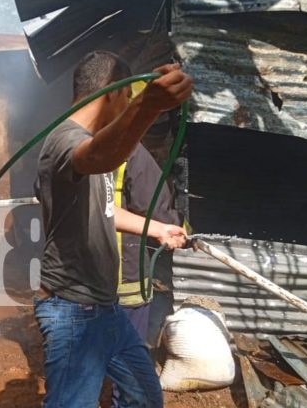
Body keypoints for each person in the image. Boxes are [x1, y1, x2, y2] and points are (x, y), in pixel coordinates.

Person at [35, 51, 192, 407]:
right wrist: (149, 107)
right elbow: (98, 156)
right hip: (74, 309)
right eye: (126, 97)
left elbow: (107, 210)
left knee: (144, 396)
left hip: (105, 307)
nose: (129, 106)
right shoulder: (65, 139)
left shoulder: (90, 141)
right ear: (108, 92)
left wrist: (157, 228)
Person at [111, 141, 185, 407]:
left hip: (77, 283)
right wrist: (179, 225)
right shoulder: (129, 150)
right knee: (131, 362)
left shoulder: (62, 144)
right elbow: (154, 205)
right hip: (125, 275)